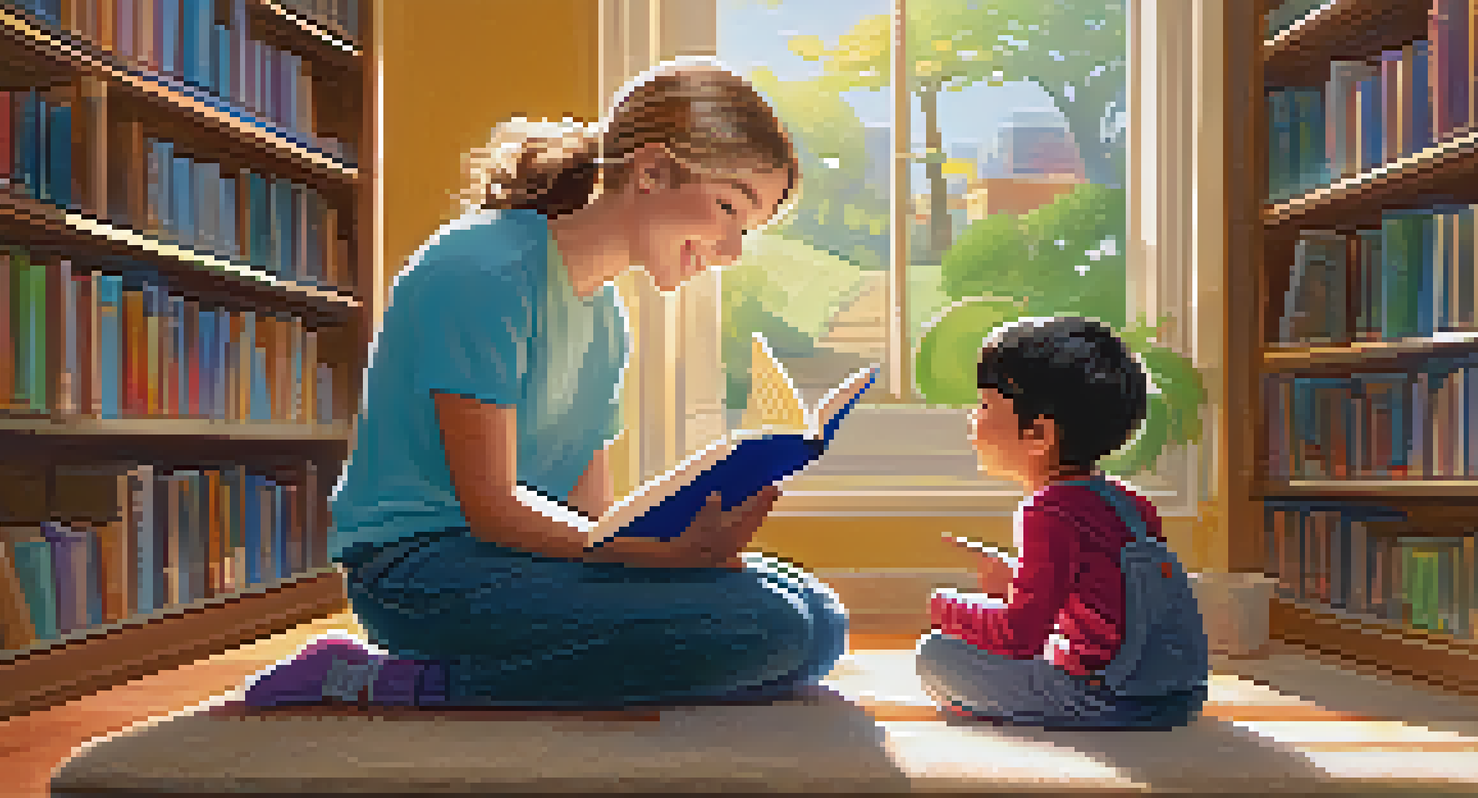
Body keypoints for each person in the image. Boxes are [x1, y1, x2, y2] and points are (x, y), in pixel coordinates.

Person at [251, 59, 849, 710]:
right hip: (418, 569)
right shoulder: (486, 269)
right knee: (772, 629)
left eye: (746, 229)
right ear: (650, 172)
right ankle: (378, 679)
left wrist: (684, 542)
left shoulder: (606, 319)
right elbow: (492, 506)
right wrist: (660, 559)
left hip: (521, 559)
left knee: (817, 619)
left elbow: (591, 518)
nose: (731, 250)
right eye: (729, 208)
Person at [916, 317, 1209, 730]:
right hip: (1180, 695)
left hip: (1106, 697)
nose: (972, 419)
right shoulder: (1131, 503)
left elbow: (1019, 637)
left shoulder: (1047, 511)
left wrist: (943, 606)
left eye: (984, 406)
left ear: (1038, 434)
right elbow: (1107, 597)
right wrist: (1017, 578)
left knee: (937, 655)